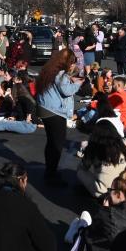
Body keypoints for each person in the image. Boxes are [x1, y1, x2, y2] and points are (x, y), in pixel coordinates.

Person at [37, 49, 82, 186]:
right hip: (54, 111)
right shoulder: (60, 72)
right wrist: (77, 83)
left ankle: (49, 171)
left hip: (45, 108)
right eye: (72, 62)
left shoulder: (49, 69)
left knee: (51, 142)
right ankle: (51, 175)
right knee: (57, 144)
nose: (73, 65)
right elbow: (66, 90)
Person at [76, 120, 126, 198]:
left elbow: (84, 166)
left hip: (103, 191)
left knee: (80, 171)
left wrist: (85, 150)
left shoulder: (95, 147)